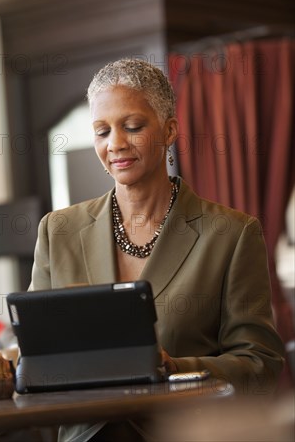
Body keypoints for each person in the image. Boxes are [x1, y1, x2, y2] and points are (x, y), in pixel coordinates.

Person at [29, 58, 285, 441]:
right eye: (101, 131)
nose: (115, 143)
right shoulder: (59, 231)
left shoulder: (231, 234)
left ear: (169, 130)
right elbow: (35, 352)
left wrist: (174, 368)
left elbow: (260, 365)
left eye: (132, 127)